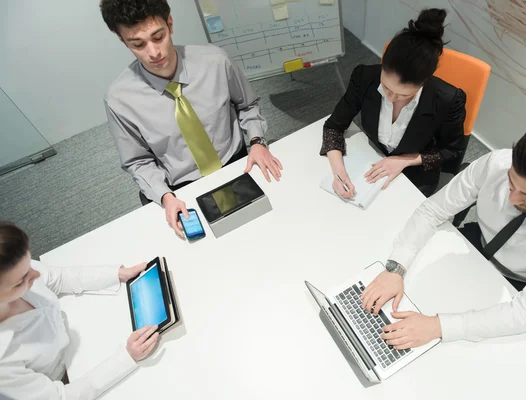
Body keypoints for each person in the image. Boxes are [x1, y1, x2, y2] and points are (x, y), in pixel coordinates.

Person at [359, 119, 526, 348]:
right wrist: (396, 268)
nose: (513, 199)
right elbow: (433, 210)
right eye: (511, 183)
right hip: (474, 247)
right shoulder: (498, 163)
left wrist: (438, 326)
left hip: (521, 284)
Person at [100, 0, 283, 238]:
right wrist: (165, 197)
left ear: (170, 24)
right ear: (122, 40)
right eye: (138, 44)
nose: (154, 52)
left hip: (236, 162)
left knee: (272, 227)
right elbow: (138, 162)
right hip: (181, 188)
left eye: (158, 37)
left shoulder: (215, 61)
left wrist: (257, 142)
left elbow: (247, 105)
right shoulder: (119, 99)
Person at [0, 222, 159, 399]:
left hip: (74, 340)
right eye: (22, 280)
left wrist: (117, 274)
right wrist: (127, 357)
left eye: (30, 264)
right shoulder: (3, 365)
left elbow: (58, 279)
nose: (36, 275)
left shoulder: (13, 267)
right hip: (64, 381)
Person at [320, 8, 467, 198]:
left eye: (403, 94)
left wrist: (405, 160)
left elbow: (451, 150)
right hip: (371, 158)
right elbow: (333, 126)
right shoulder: (365, 77)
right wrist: (339, 173)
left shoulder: (448, 99)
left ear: (424, 82)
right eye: (386, 87)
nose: (390, 97)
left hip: (414, 173)